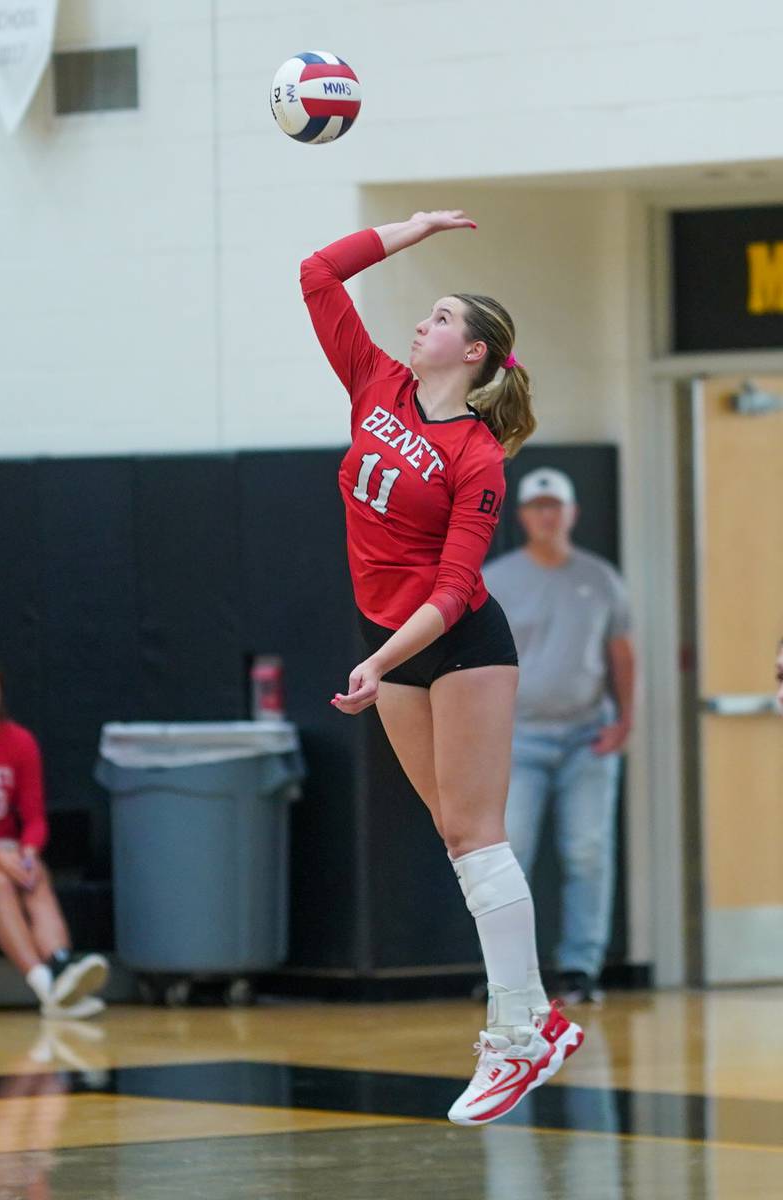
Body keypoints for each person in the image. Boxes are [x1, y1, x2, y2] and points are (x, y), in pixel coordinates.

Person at [300, 209, 583, 1127]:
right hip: (392, 645)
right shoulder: (376, 383)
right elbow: (316, 274)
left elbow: (459, 589)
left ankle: (515, 1036)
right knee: (461, 845)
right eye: (424, 312)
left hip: (452, 645)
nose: (422, 324)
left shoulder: (478, 456)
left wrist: (380, 659)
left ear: (474, 354)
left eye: (440, 316)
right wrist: (412, 229)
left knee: (477, 836)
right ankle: (536, 1019)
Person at [483, 468, 635, 1005]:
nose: (547, 516)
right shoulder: (497, 578)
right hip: (518, 739)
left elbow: (620, 652)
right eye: (537, 507)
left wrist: (624, 720)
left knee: (587, 851)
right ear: (523, 516)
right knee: (509, 851)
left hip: (586, 737)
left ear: (571, 512)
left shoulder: (600, 579)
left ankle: (580, 967)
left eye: (556, 506)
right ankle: (510, 973)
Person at [0, 651, 109, 1019]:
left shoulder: (20, 742)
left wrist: (29, 851)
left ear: (0, 691)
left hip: (4, 848)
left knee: (35, 878)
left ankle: (62, 967)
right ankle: (44, 985)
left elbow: (35, 817)